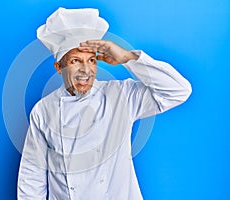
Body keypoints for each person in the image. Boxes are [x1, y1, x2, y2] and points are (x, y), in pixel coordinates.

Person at [17, 7, 192, 200]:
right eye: (76, 60)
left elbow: (178, 91)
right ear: (59, 68)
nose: (86, 70)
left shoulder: (121, 95)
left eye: (91, 60)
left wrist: (128, 58)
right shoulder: (43, 110)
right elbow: (32, 174)